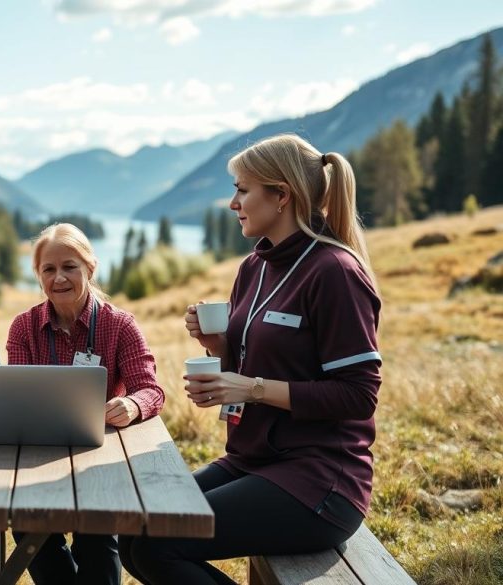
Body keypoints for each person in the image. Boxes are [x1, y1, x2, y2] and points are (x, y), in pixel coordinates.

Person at [120, 134, 382, 584]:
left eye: (243, 189)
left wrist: (250, 387)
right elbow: (257, 365)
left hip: (319, 480)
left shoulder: (336, 272)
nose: (232, 202)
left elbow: (358, 396)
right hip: (252, 459)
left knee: (156, 541)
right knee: (135, 532)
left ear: (281, 195)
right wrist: (221, 351)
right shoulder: (254, 267)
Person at [6, 223, 165, 585]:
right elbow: (17, 397)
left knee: (97, 540)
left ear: (90, 268)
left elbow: (151, 390)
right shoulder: (23, 328)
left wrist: (132, 406)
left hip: (99, 457)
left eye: (69, 266)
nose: (59, 277)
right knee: (30, 534)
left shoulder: (120, 324)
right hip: (38, 458)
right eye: (48, 269)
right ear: (38, 275)